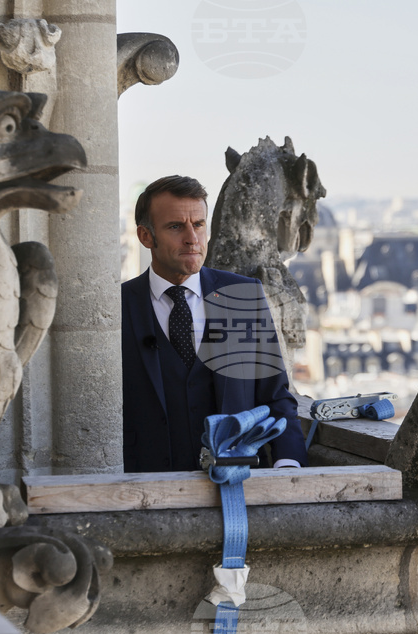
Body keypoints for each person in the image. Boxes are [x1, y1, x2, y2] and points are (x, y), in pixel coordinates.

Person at [121, 175, 308, 473]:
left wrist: (288, 464)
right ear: (146, 237)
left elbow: (276, 395)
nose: (192, 239)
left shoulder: (243, 295)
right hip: (145, 491)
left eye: (198, 225)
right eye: (175, 226)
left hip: (237, 486)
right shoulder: (117, 308)